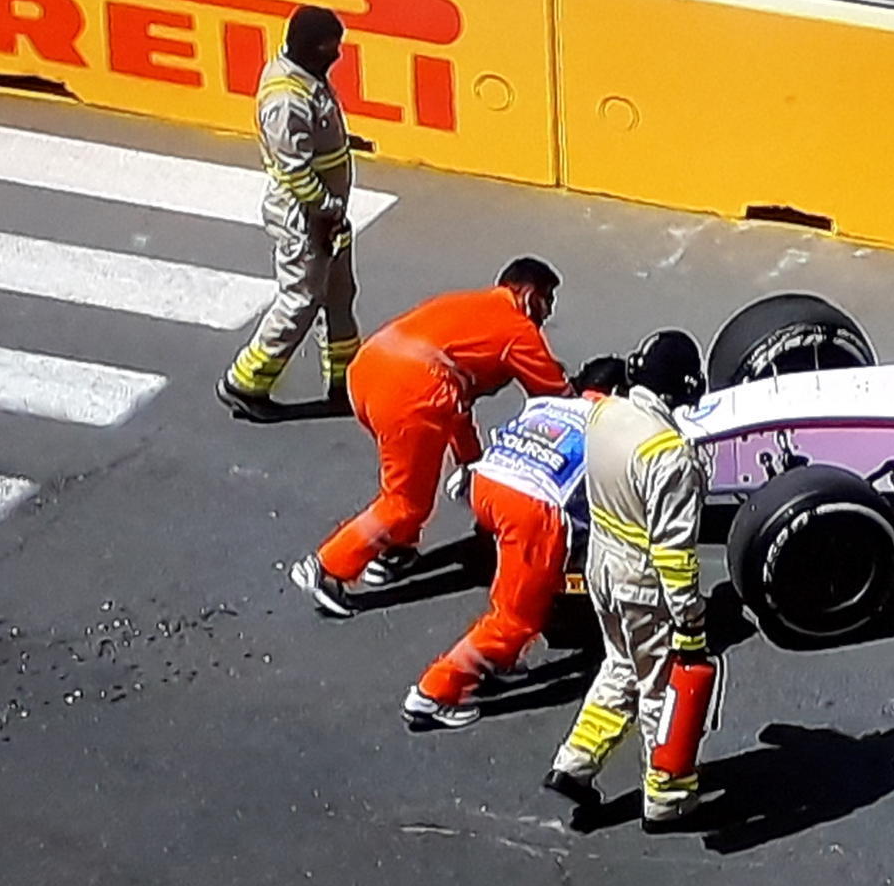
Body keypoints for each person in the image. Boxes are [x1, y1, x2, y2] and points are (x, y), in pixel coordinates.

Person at [290, 257, 571, 616]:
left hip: (368, 374)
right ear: (529, 295)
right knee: (406, 503)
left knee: (408, 476)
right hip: (411, 395)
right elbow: (558, 400)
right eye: (548, 299)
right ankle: (326, 567)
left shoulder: (465, 305)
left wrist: (471, 461)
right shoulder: (518, 330)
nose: (549, 312)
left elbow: (455, 397)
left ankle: (396, 550)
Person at [402, 355, 637, 732]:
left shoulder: (547, 405)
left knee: (515, 584)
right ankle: (434, 692)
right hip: (531, 507)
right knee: (518, 618)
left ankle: (499, 660)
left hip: (486, 484)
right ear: (616, 393)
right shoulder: (609, 425)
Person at [543, 331, 712, 829]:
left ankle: (575, 762)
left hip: (601, 567)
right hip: (642, 584)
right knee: (660, 686)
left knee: (620, 664)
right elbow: (674, 553)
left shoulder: (603, 414)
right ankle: (667, 797)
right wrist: (690, 618)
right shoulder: (669, 454)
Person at [217, 5, 362, 422]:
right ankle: (245, 383)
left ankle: (345, 381)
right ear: (311, 48)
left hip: (328, 215)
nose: (337, 55)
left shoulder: (307, 78)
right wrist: (327, 209)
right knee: (300, 301)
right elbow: (294, 171)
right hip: (307, 218)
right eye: (331, 47)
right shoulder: (286, 99)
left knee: (339, 296)